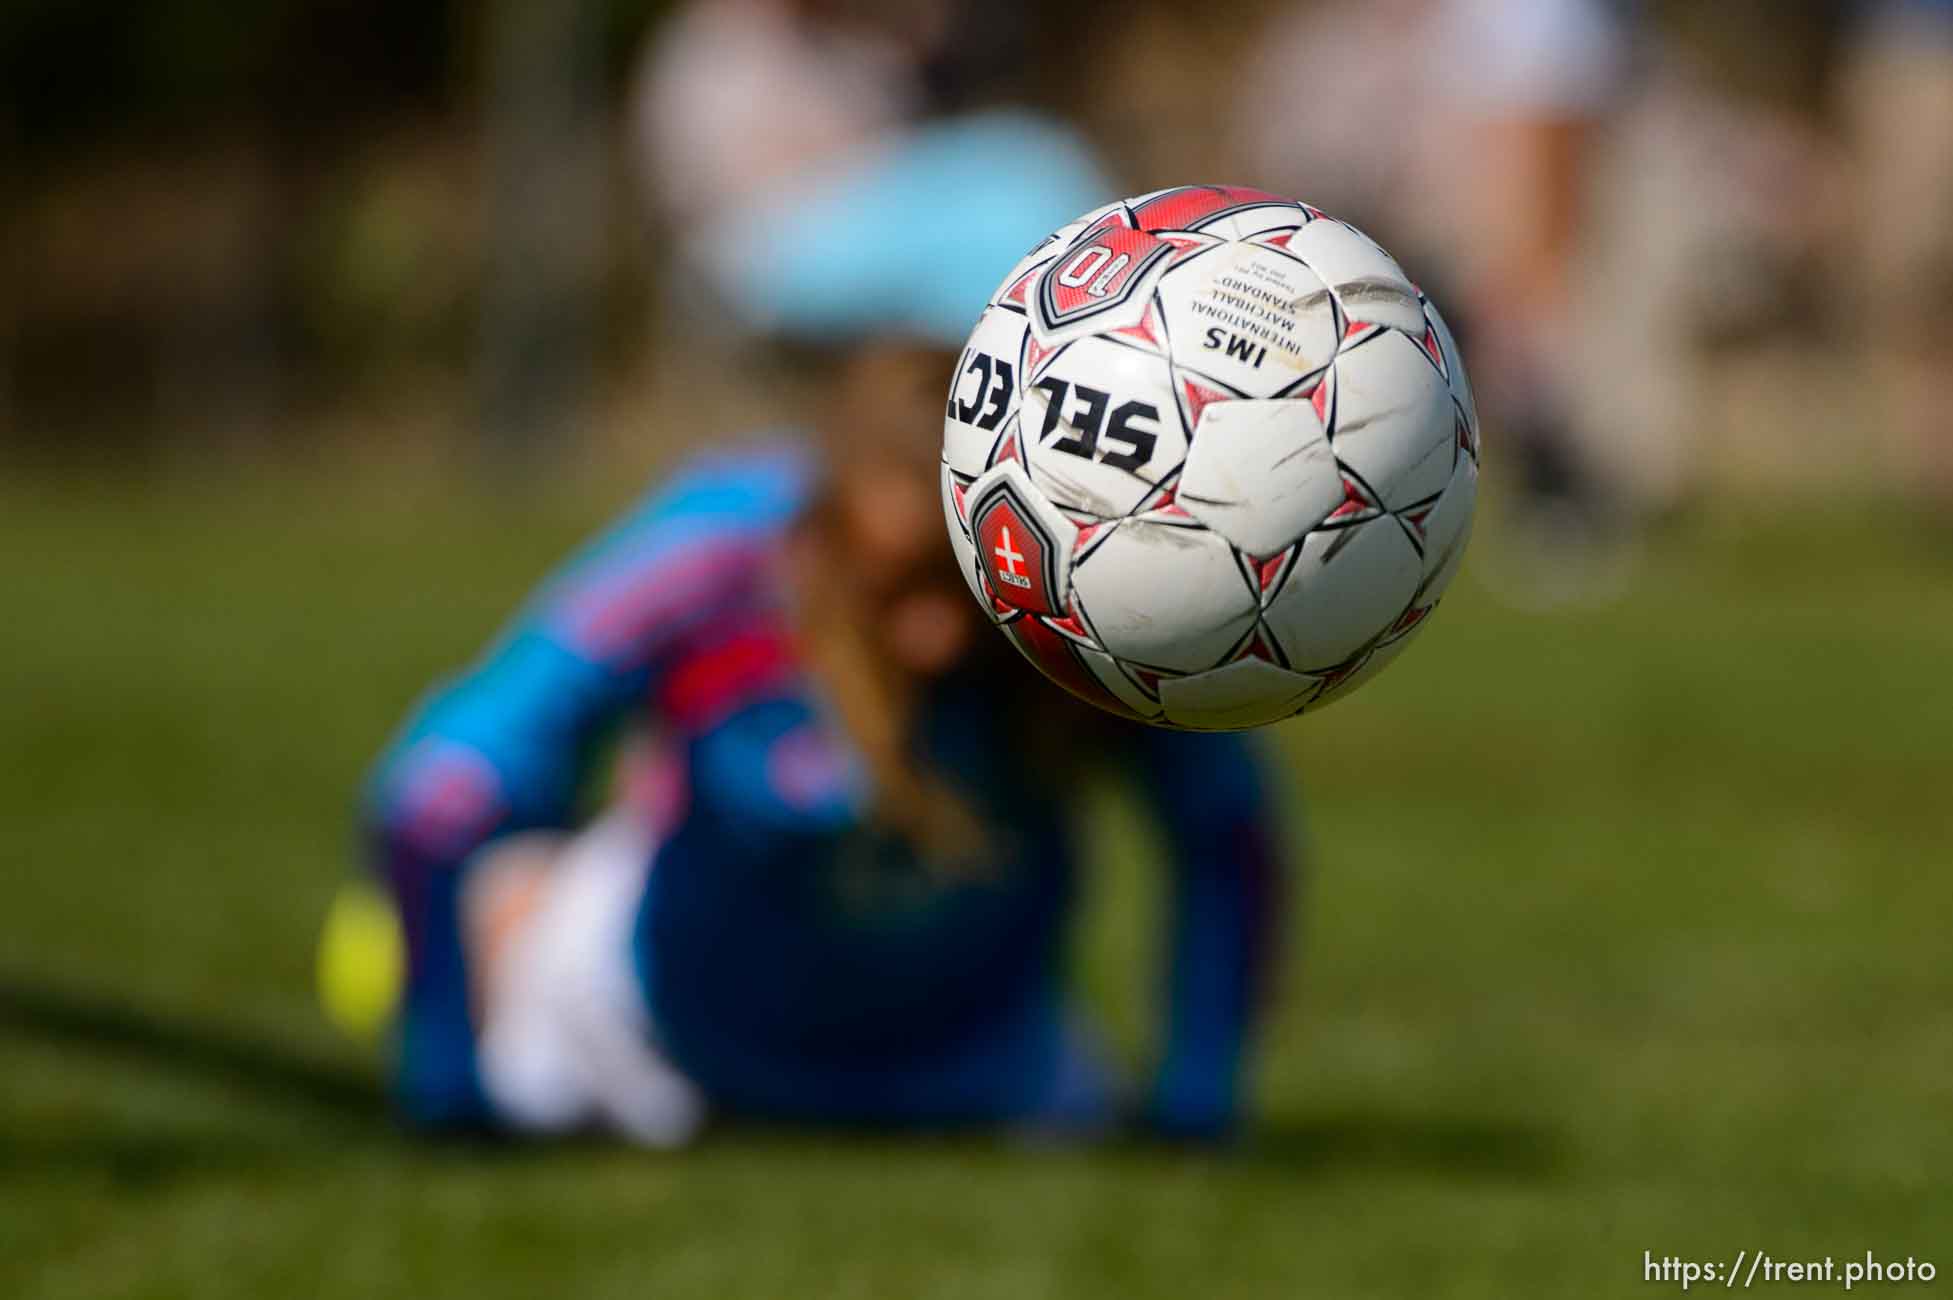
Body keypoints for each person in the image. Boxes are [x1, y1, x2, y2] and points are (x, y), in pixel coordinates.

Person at [353, 114, 1296, 1146]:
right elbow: (440, 790)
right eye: (900, 589)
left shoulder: (1093, 585)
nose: (938, 638)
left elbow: (1228, 831)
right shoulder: (721, 549)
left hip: (981, 1072)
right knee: (517, 891)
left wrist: (1197, 1098)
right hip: (647, 1043)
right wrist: (444, 1068)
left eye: (972, 593)